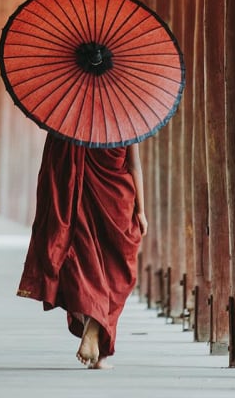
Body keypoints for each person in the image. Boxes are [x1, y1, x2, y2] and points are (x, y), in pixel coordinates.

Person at [17, 135, 146, 369]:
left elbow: (53, 172)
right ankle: (97, 340)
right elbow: (134, 165)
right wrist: (141, 211)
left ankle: (92, 325)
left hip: (76, 202)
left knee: (84, 265)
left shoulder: (70, 124)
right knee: (115, 271)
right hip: (118, 202)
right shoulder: (123, 120)